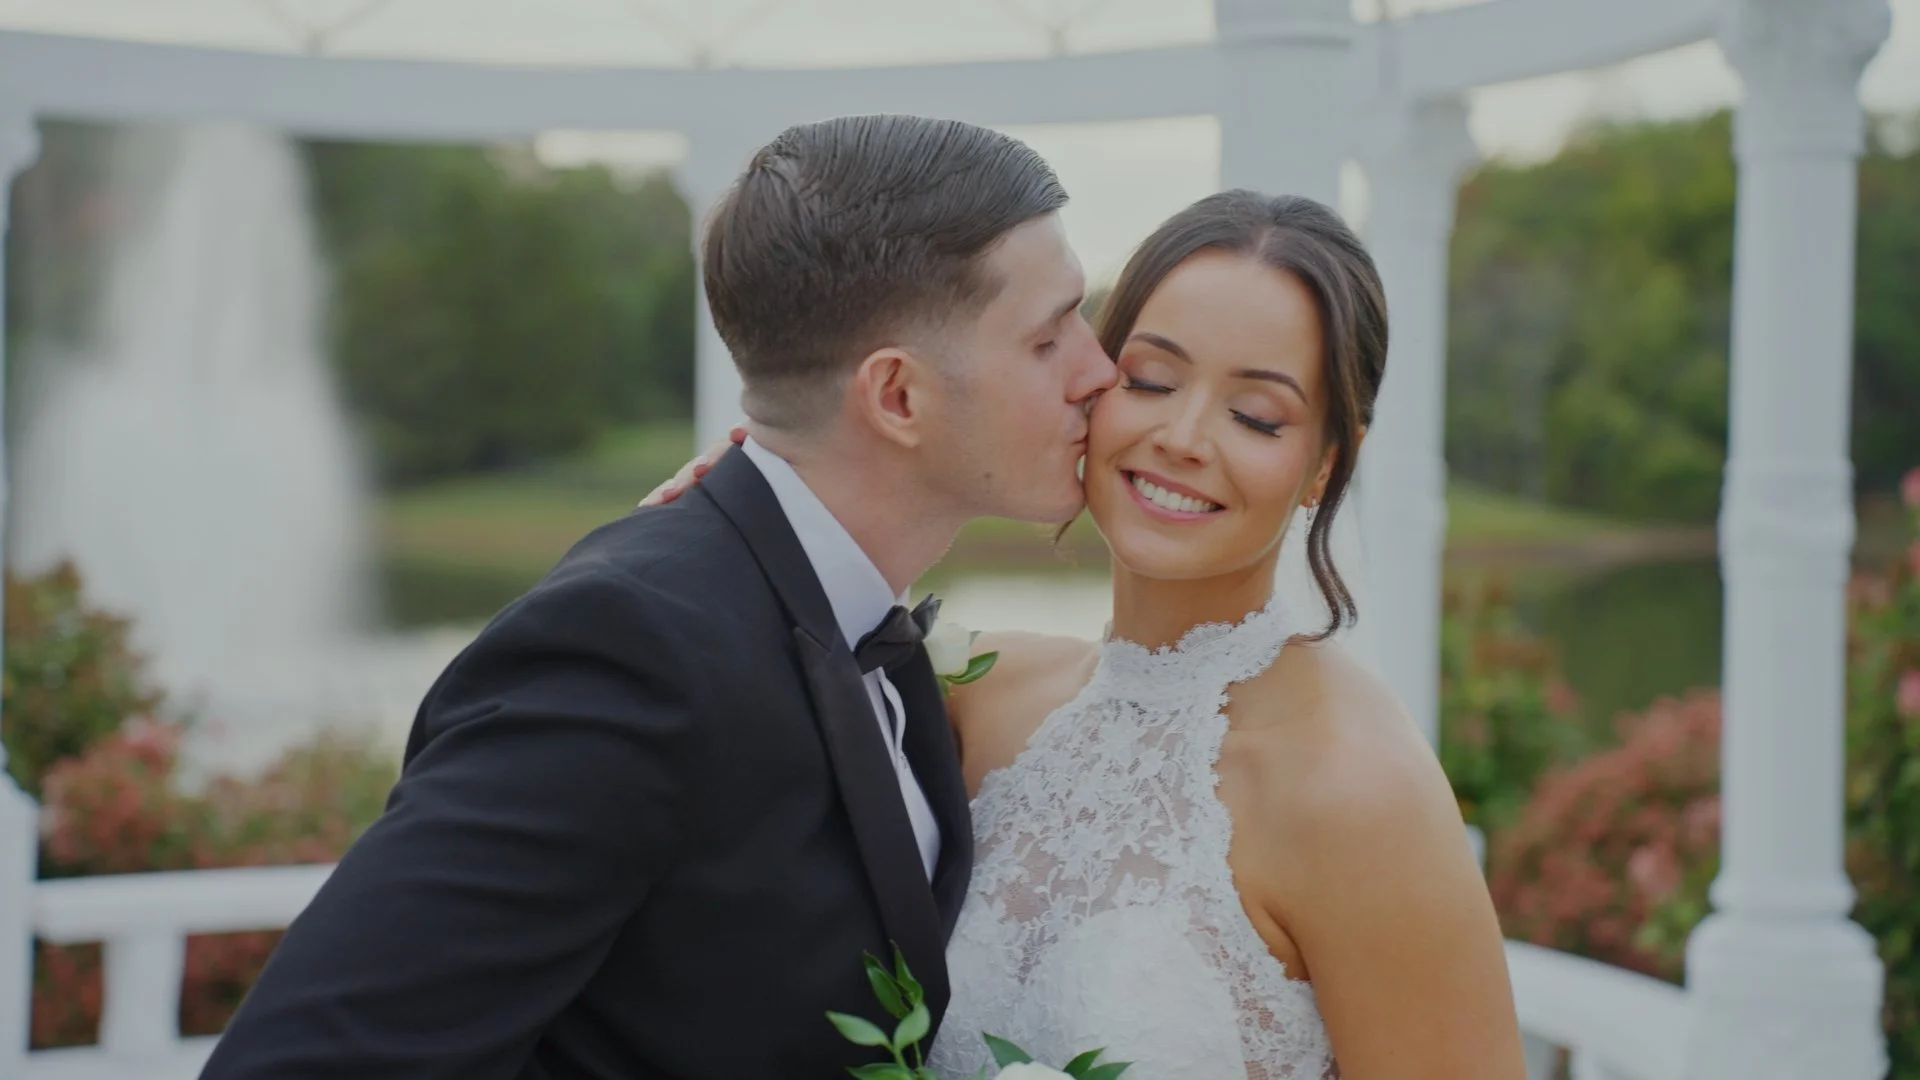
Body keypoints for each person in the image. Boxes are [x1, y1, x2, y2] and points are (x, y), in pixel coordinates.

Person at [198, 113, 1115, 1079]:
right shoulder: (629, 652)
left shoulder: (842, 619)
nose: (1098, 369)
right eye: (1049, 336)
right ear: (897, 397)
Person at [653, 191, 1526, 1078]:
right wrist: (755, 513)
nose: (1182, 438)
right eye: (1151, 380)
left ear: (1326, 464)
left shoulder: (1360, 792)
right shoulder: (967, 694)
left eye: (1257, 416)